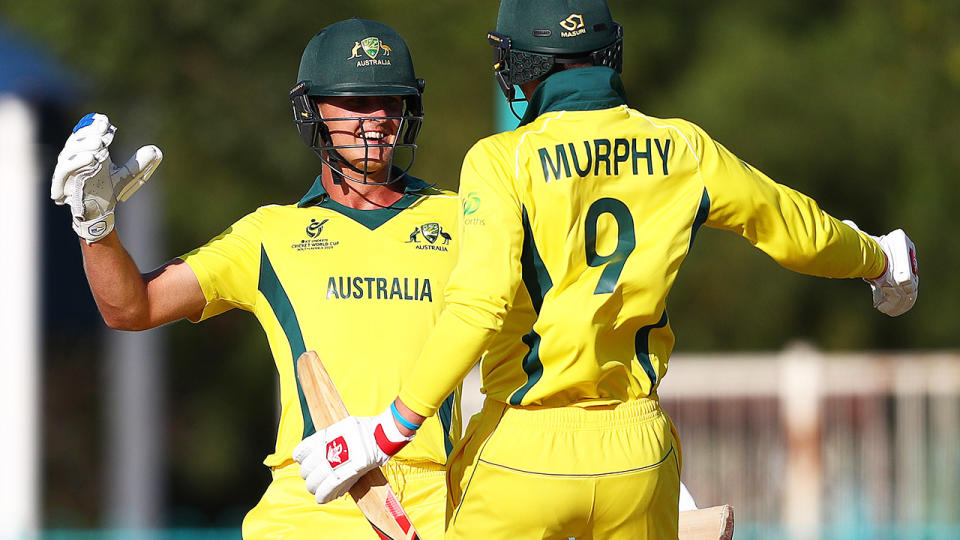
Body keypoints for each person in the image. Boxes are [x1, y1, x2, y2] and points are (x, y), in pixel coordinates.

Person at [291, 1, 920, 538]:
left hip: (521, 451)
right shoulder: (682, 147)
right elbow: (795, 233)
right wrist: (879, 259)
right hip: (638, 456)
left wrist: (386, 432)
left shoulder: (501, 159)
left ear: (521, 64)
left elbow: (479, 306)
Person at [50, 18, 462, 539]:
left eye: (391, 101)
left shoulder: (462, 217)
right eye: (355, 102)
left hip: (434, 502)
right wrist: (95, 228)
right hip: (310, 500)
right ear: (314, 110)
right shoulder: (269, 233)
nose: (377, 118)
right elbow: (131, 308)